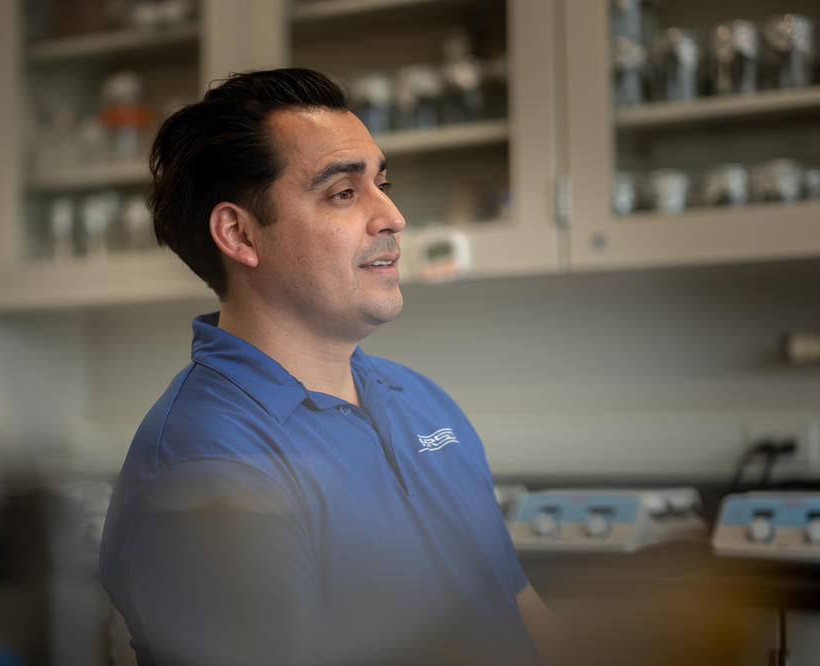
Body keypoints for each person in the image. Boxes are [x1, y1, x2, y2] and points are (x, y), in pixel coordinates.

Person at [100, 68, 561, 666]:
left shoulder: (419, 399)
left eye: (383, 184)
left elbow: (518, 609)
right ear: (239, 234)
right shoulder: (207, 467)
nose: (393, 216)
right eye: (344, 193)